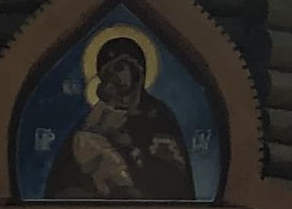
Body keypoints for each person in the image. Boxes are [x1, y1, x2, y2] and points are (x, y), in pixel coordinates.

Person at [63, 30, 197, 200]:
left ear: (136, 69)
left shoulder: (156, 115)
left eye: (119, 68)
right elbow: (69, 172)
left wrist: (134, 149)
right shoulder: (98, 115)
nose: (115, 77)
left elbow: (175, 178)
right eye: (108, 74)